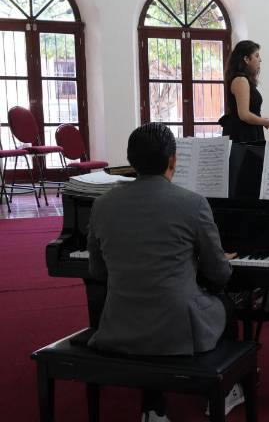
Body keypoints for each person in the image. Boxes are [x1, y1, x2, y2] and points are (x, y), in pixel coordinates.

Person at [87, 123, 242, 421]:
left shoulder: (102, 205)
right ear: (173, 160)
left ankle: (155, 406)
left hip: (120, 325)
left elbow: (97, 271)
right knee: (226, 304)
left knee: (150, 304)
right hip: (178, 328)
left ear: (131, 162)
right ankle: (225, 390)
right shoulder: (192, 203)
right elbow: (220, 274)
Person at [220, 40, 269, 143]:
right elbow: (244, 115)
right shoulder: (241, 80)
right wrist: (265, 122)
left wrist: (262, 121)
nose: (260, 60)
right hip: (243, 136)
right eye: (256, 56)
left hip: (249, 132)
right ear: (246, 59)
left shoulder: (243, 80)